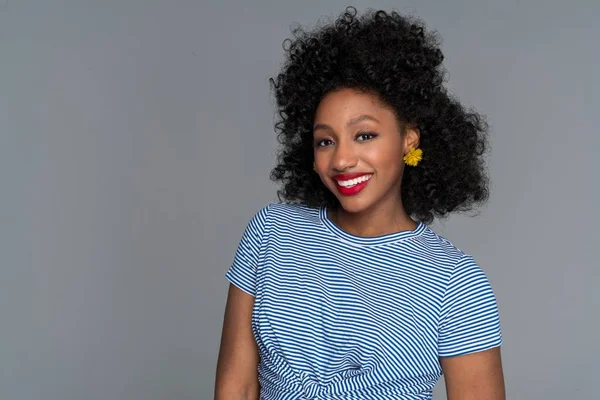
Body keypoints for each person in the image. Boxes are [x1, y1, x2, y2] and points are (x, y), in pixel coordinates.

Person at [215, 7, 505, 400]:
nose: (341, 160)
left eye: (364, 135)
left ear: (409, 140)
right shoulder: (271, 233)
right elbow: (237, 387)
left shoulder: (456, 283)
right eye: (325, 140)